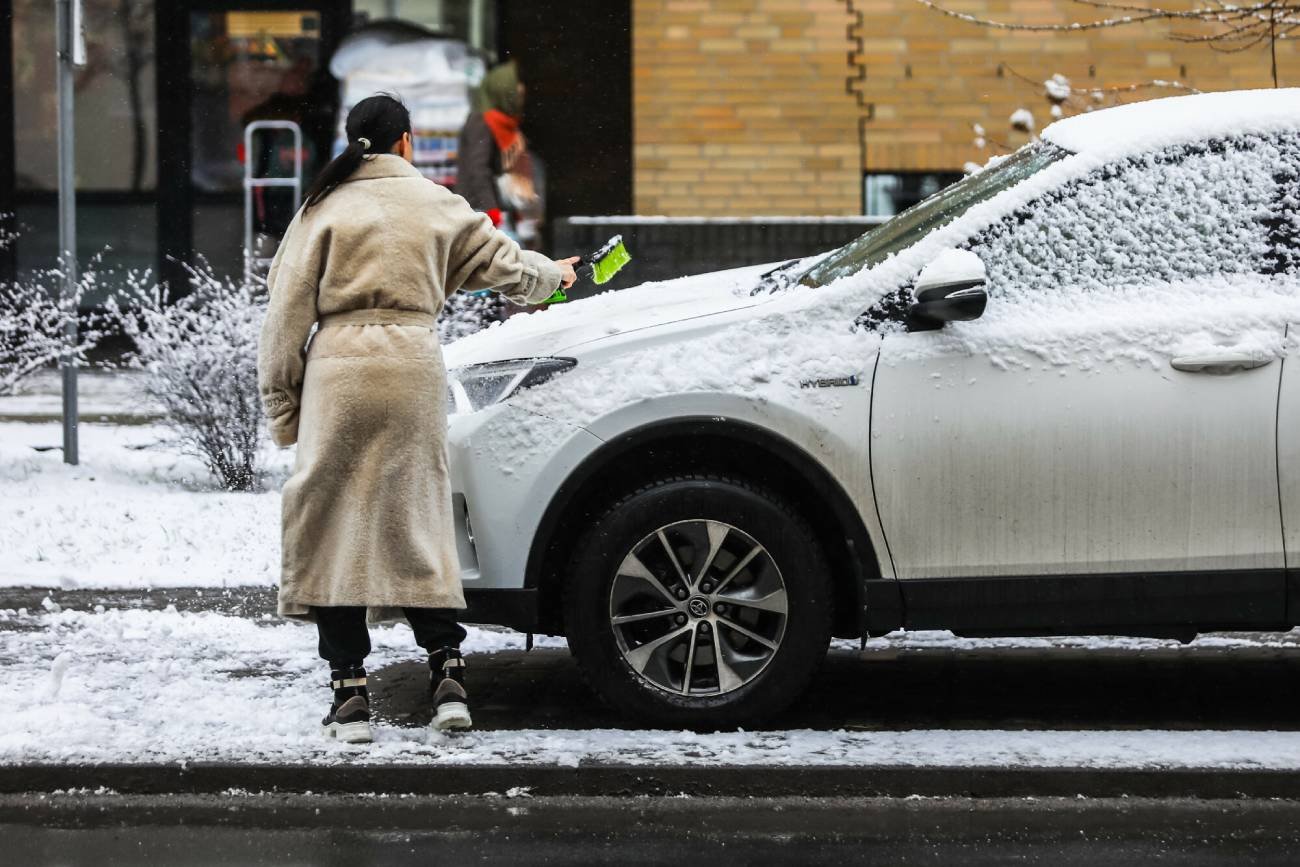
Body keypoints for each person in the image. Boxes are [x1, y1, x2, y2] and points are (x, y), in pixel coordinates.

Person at [257, 93, 579, 743]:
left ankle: (349, 694)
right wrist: (555, 277)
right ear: (406, 142)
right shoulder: (438, 203)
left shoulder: (321, 209)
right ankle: (449, 677)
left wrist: (284, 409)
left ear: (354, 144)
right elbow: (508, 267)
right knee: (418, 520)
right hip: (411, 367)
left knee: (334, 530)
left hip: (337, 374)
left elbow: (284, 313)